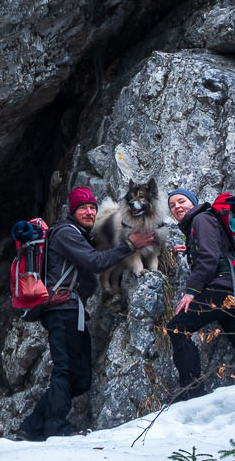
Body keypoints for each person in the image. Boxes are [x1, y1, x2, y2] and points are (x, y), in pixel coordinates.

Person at [12, 186, 154, 441]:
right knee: (65, 370)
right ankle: (55, 426)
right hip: (62, 310)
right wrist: (130, 244)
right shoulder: (66, 233)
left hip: (72, 311)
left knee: (81, 378)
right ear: (72, 211)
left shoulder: (78, 234)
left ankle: (32, 426)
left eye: (92, 207)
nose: (89, 212)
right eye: (82, 208)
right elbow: (95, 262)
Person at [165, 189, 235, 399]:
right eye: (172, 205)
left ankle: (191, 390)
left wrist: (191, 291)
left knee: (177, 327)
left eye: (181, 201)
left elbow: (209, 257)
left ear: (193, 203)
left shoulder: (201, 219)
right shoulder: (203, 222)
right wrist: (188, 249)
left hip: (221, 288)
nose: (177, 207)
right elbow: (216, 250)